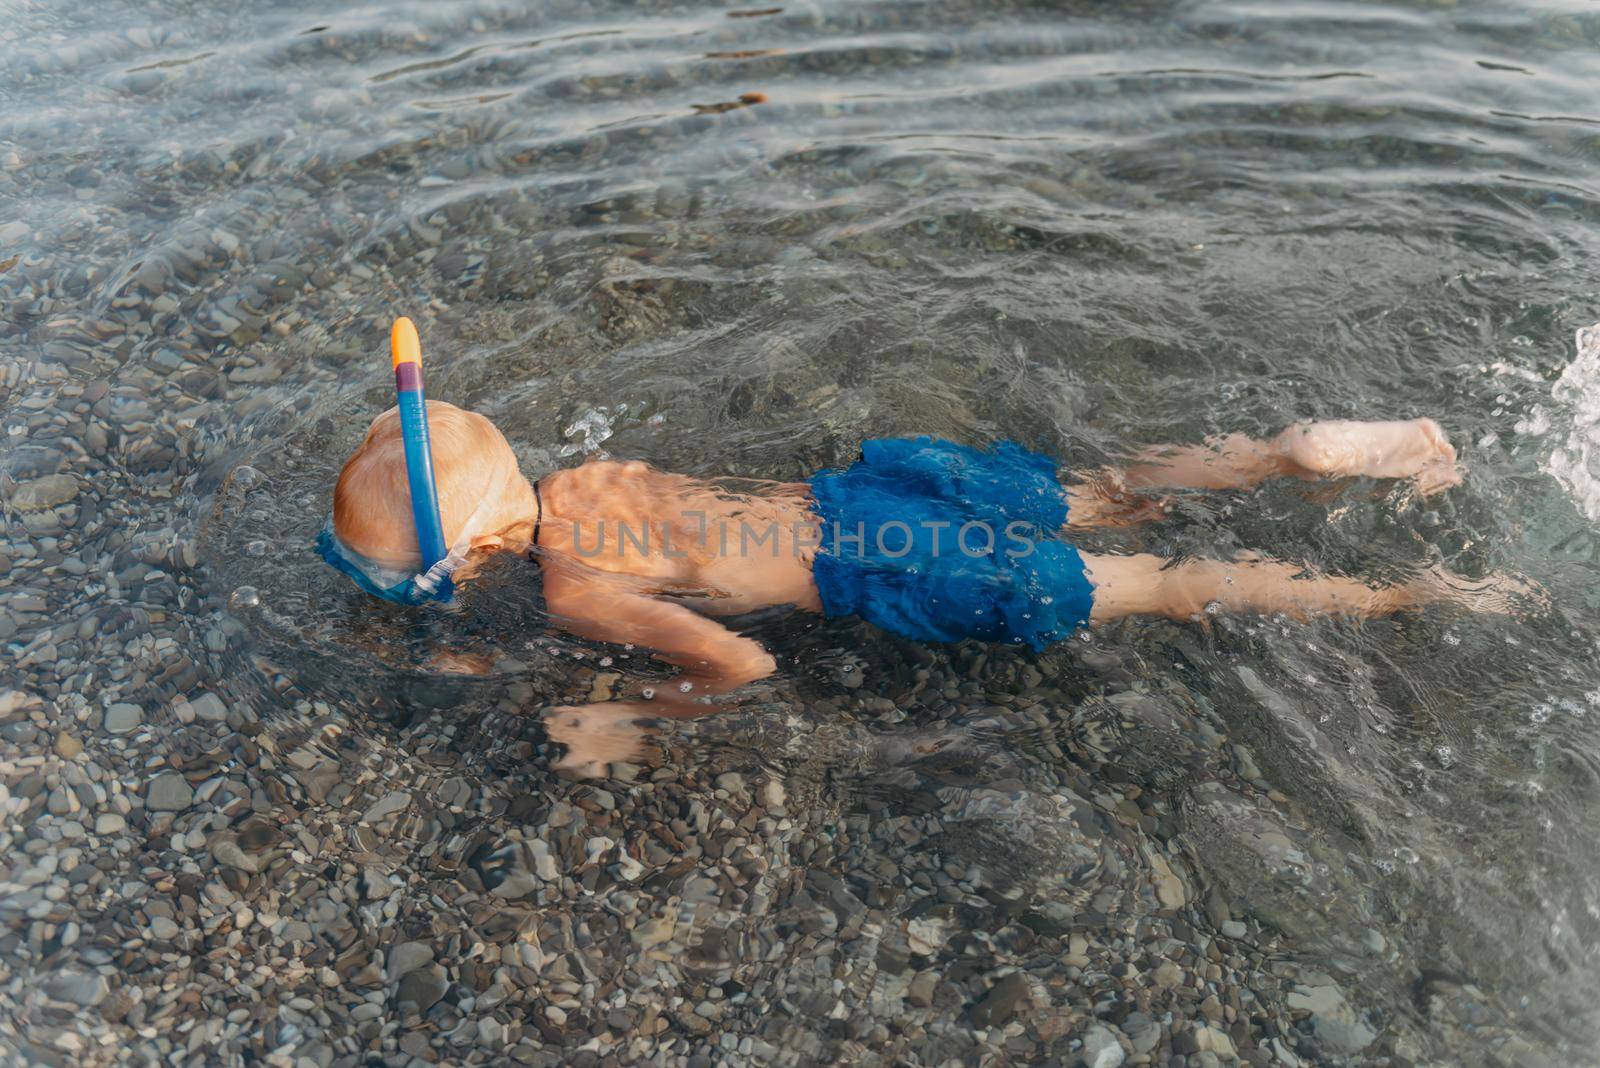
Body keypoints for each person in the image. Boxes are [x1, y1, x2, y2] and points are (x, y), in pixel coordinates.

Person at [324, 404, 1524, 774]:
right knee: (1112, 489)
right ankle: (1294, 454)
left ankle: (1421, 598)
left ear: (462, 559)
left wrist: (630, 717)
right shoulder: (585, 481)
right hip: (881, 490)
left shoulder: (575, 590)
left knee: (1166, 584)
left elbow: (742, 663)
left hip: (899, 566)